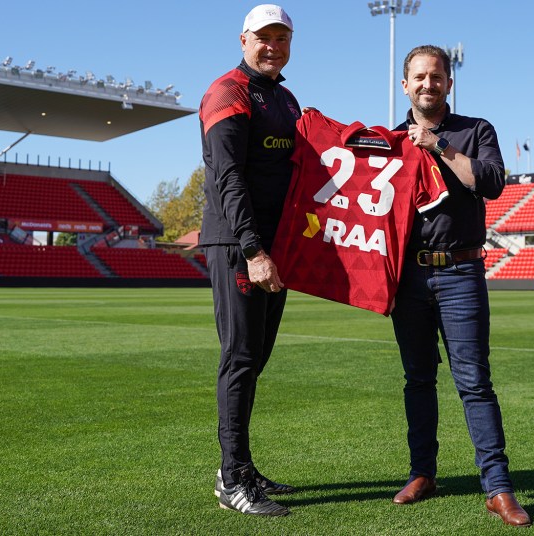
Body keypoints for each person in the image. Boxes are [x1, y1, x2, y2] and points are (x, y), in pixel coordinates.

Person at [389, 45, 532, 527]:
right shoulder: (389, 139)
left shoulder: (476, 130)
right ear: (404, 85)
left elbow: (491, 183)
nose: (428, 84)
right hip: (408, 275)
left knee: (474, 382)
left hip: (460, 272)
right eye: (419, 77)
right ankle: (422, 473)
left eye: (436, 76)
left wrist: (438, 146)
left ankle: (497, 487)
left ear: (449, 83)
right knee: (417, 379)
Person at [197, 4, 300, 517]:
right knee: (239, 359)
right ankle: (233, 479)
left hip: (272, 247)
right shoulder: (228, 91)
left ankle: (237, 465)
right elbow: (227, 176)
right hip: (240, 246)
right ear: (242, 41)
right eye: (263, 38)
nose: (272, 47)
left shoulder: (285, 97)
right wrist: (254, 248)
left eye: (281, 38)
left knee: (255, 358)